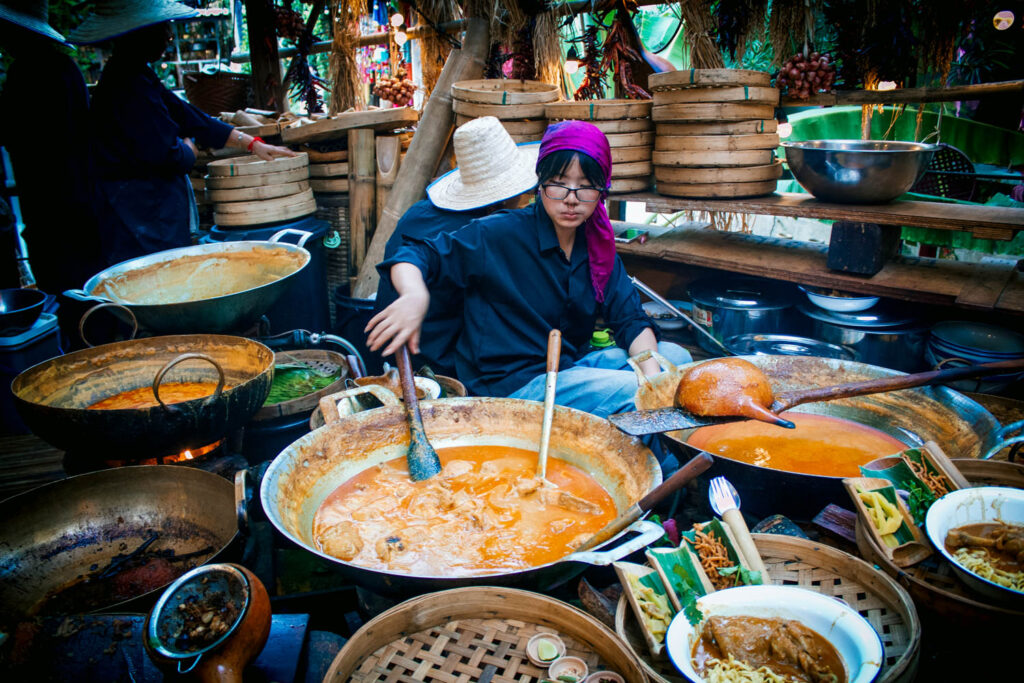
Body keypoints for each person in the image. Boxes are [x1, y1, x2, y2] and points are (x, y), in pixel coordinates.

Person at [366, 119, 690, 430]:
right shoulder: (499, 233)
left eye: (586, 186)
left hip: (565, 369)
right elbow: (416, 255)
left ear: (602, 189)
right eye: (559, 183)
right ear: (541, 182)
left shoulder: (596, 246)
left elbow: (630, 318)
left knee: (677, 360)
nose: (571, 199)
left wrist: (653, 378)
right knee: (631, 393)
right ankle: (661, 475)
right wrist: (414, 294)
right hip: (511, 385)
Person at [67, 0, 294, 265]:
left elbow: (188, 116)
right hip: (138, 215)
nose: (169, 36)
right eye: (162, 29)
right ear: (139, 35)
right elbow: (168, 154)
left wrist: (252, 143)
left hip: (146, 212)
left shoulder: (138, 75)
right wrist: (188, 149)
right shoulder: (127, 86)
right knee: (154, 282)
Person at [372, 116, 540, 376]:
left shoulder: (419, 211)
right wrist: (415, 294)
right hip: (435, 367)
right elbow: (411, 256)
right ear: (506, 198)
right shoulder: (478, 231)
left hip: (388, 358)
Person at [0, 0, 105, 293]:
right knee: (86, 289)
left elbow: (14, 133)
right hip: (78, 204)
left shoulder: (27, 74)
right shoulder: (64, 68)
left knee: (68, 289)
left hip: (53, 207)